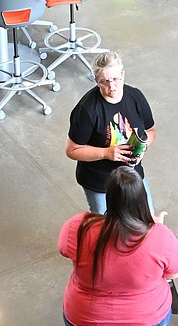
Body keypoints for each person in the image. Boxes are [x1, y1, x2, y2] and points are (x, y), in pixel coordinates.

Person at [58, 166, 178, 326]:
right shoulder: (160, 236)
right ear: (142, 199)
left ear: (108, 197)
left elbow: (64, 250)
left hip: (88, 320)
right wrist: (155, 228)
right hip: (146, 321)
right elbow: (174, 272)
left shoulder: (78, 227)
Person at [65, 51, 157, 215]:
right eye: (105, 82)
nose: (112, 86)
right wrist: (106, 153)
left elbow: (150, 131)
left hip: (132, 175)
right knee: (103, 224)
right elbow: (72, 150)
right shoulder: (87, 110)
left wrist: (143, 147)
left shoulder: (135, 97)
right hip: (100, 182)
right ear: (96, 81)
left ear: (123, 74)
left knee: (147, 216)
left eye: (116, 79)